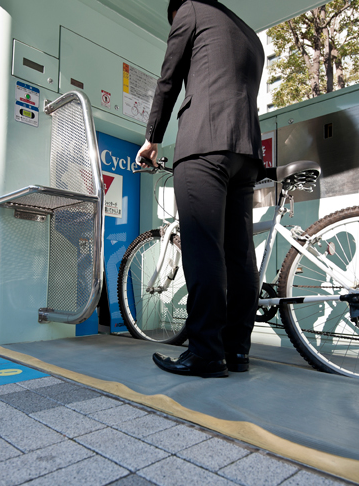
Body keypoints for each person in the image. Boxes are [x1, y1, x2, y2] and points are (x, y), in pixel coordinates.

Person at [137, 0, 265, 378]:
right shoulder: (251, 36)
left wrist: (152, 139)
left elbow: (169, 78)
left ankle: (207, 353)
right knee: (240, 256)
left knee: (203, 248)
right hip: (245, 151)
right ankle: (236, 351)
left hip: (204, 143)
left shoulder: (189, 9)